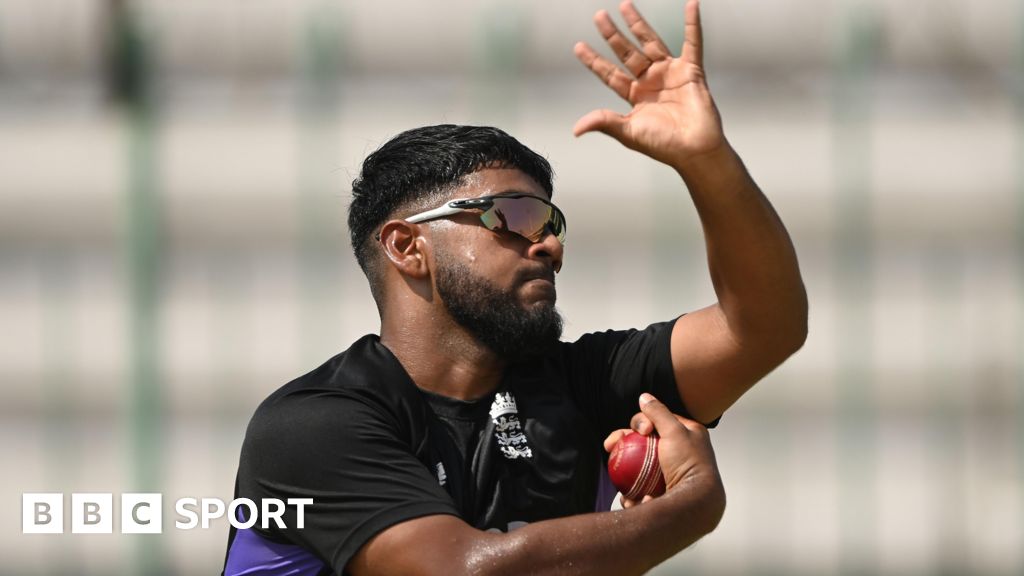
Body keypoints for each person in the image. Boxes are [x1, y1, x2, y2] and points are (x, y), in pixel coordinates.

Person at [222, 0, 807, 574]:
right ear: (406, 246)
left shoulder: (580, 384)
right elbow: (462, 569)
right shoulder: (313, 424)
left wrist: (706, 160)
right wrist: (690, 508)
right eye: (515, 215)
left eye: (550, 223)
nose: (548, 244)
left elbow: (764, 326)